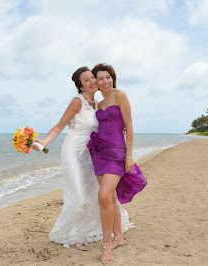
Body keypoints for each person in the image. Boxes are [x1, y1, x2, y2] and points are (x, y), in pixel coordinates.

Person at [32, 66, 131, 251]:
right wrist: (44, 143)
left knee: (93, 194)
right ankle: (70, 235)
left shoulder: (98, 103)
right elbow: (59, 126)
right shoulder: (78, 102)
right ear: (80, 86)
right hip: (73, 153)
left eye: (93, 77)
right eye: (87, 80)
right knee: (77, 196)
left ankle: (88, 232)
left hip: (92, 154)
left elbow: (107, 123)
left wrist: (120, 129)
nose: (93, 81)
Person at [87, 64, 147, 265]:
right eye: (100, 78)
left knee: (103, 195)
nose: (105, 81)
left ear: (113, 78)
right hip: (98, 152)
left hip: (116, 153)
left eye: (108, 77)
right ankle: (119, 237)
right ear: (95, 81)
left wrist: (129, 156)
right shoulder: (98, 102)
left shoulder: (120, 95)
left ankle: (106, 246)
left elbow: (129, 125)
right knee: (110, 197)